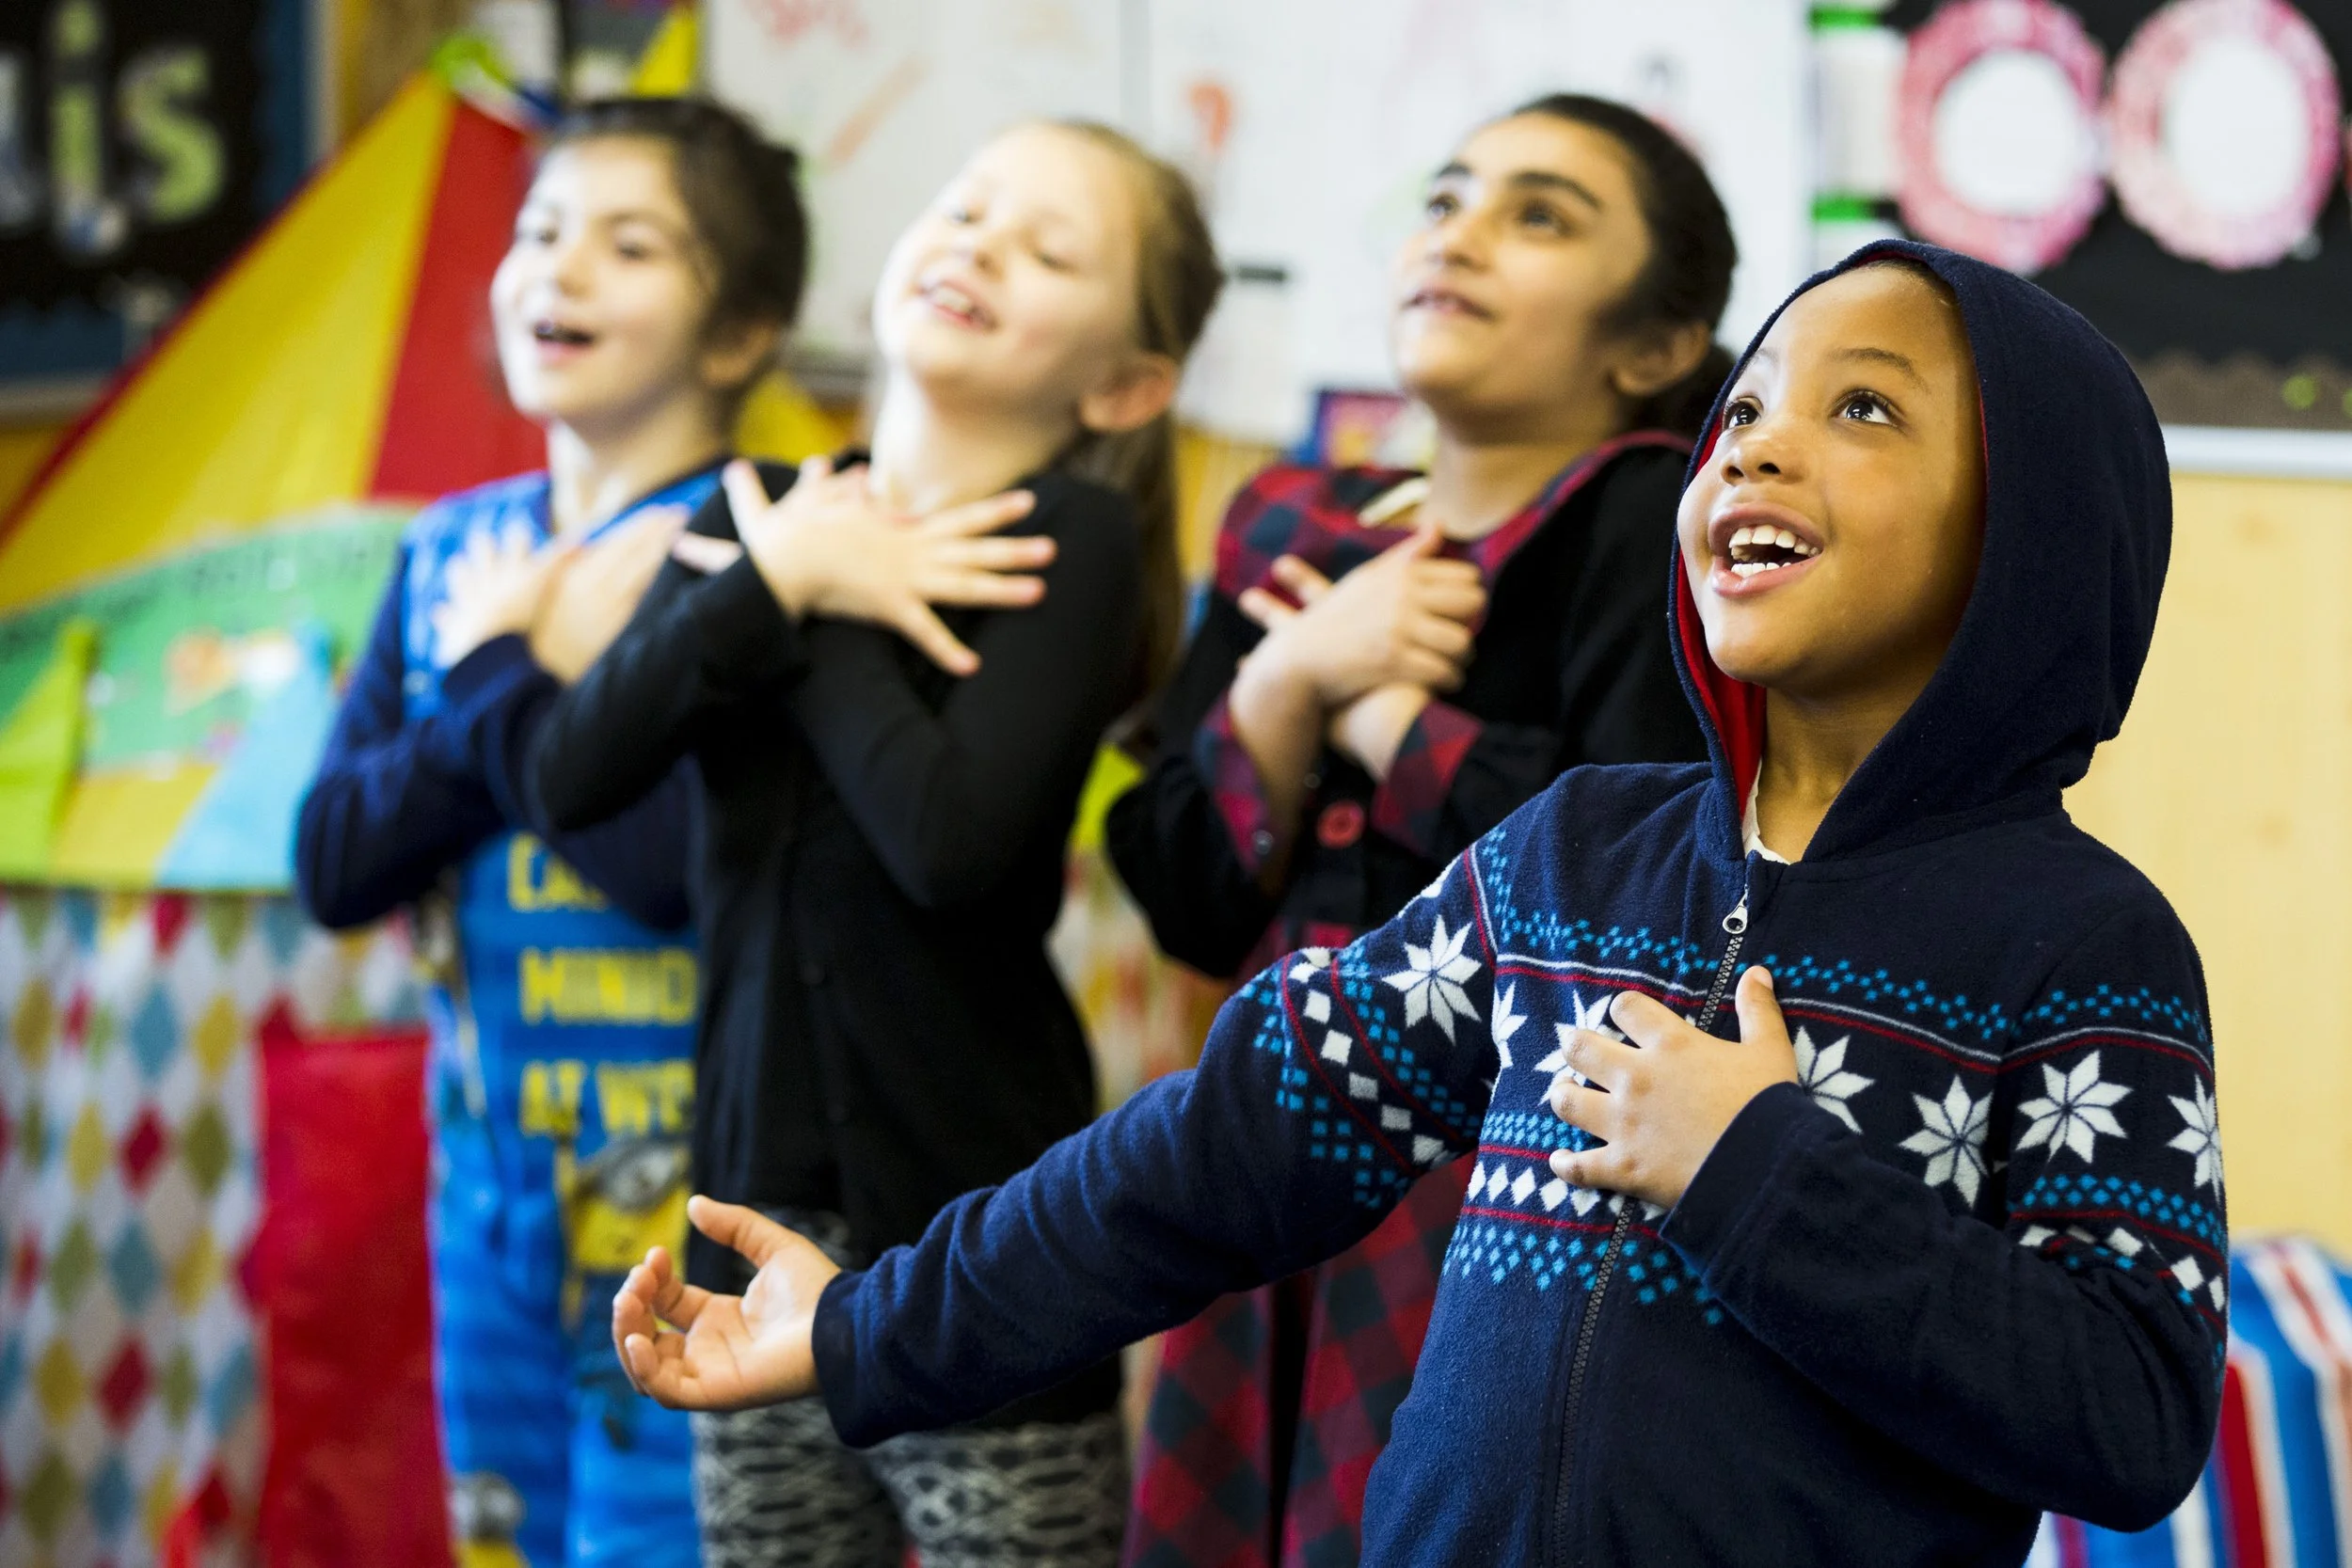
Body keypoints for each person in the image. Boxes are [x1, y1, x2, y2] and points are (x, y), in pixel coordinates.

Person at [612, 242, 2228, 1567]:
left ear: (2034, 542)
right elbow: (1221, 1146)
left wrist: (1758, 1166)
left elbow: (2130, 1416)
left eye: (1865, 407)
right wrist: (867, 1326)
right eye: (1743, 410)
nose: (1760, 443)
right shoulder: (1572, 857)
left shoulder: (2083, 947)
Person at [526, 120, 1220, 1567]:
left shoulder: (1068, 541)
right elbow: (569, 773)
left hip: (978, 1246)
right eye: (963, 205)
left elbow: (949, 843)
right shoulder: (759, 521)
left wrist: (812, 603)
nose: (977, 242)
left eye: (1045, 248)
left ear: (1126, 382)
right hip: (743, 1219)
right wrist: (781, 572)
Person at [1106, 93, 1724, 1565]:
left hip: (1493, 1174)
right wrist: (1284, 678)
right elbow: (1184, 885)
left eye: (1541, 214)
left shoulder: (1652, 520)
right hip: (1265, 1119)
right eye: (1447, 197)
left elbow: (1639, 881)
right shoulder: (1289, 520)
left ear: (1648, 348)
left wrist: (1381, 717)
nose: (1461, 232)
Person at [293, 97, 804, 1568]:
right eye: (541, 230)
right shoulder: (451, 551)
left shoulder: (760, 539)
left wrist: (508, 671)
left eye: (629, 243)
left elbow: (670, 876)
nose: (559, 269)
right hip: (491, 1202)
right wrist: (502, 668)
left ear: (737, 328)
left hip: (698, 1223)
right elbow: (336, 860)